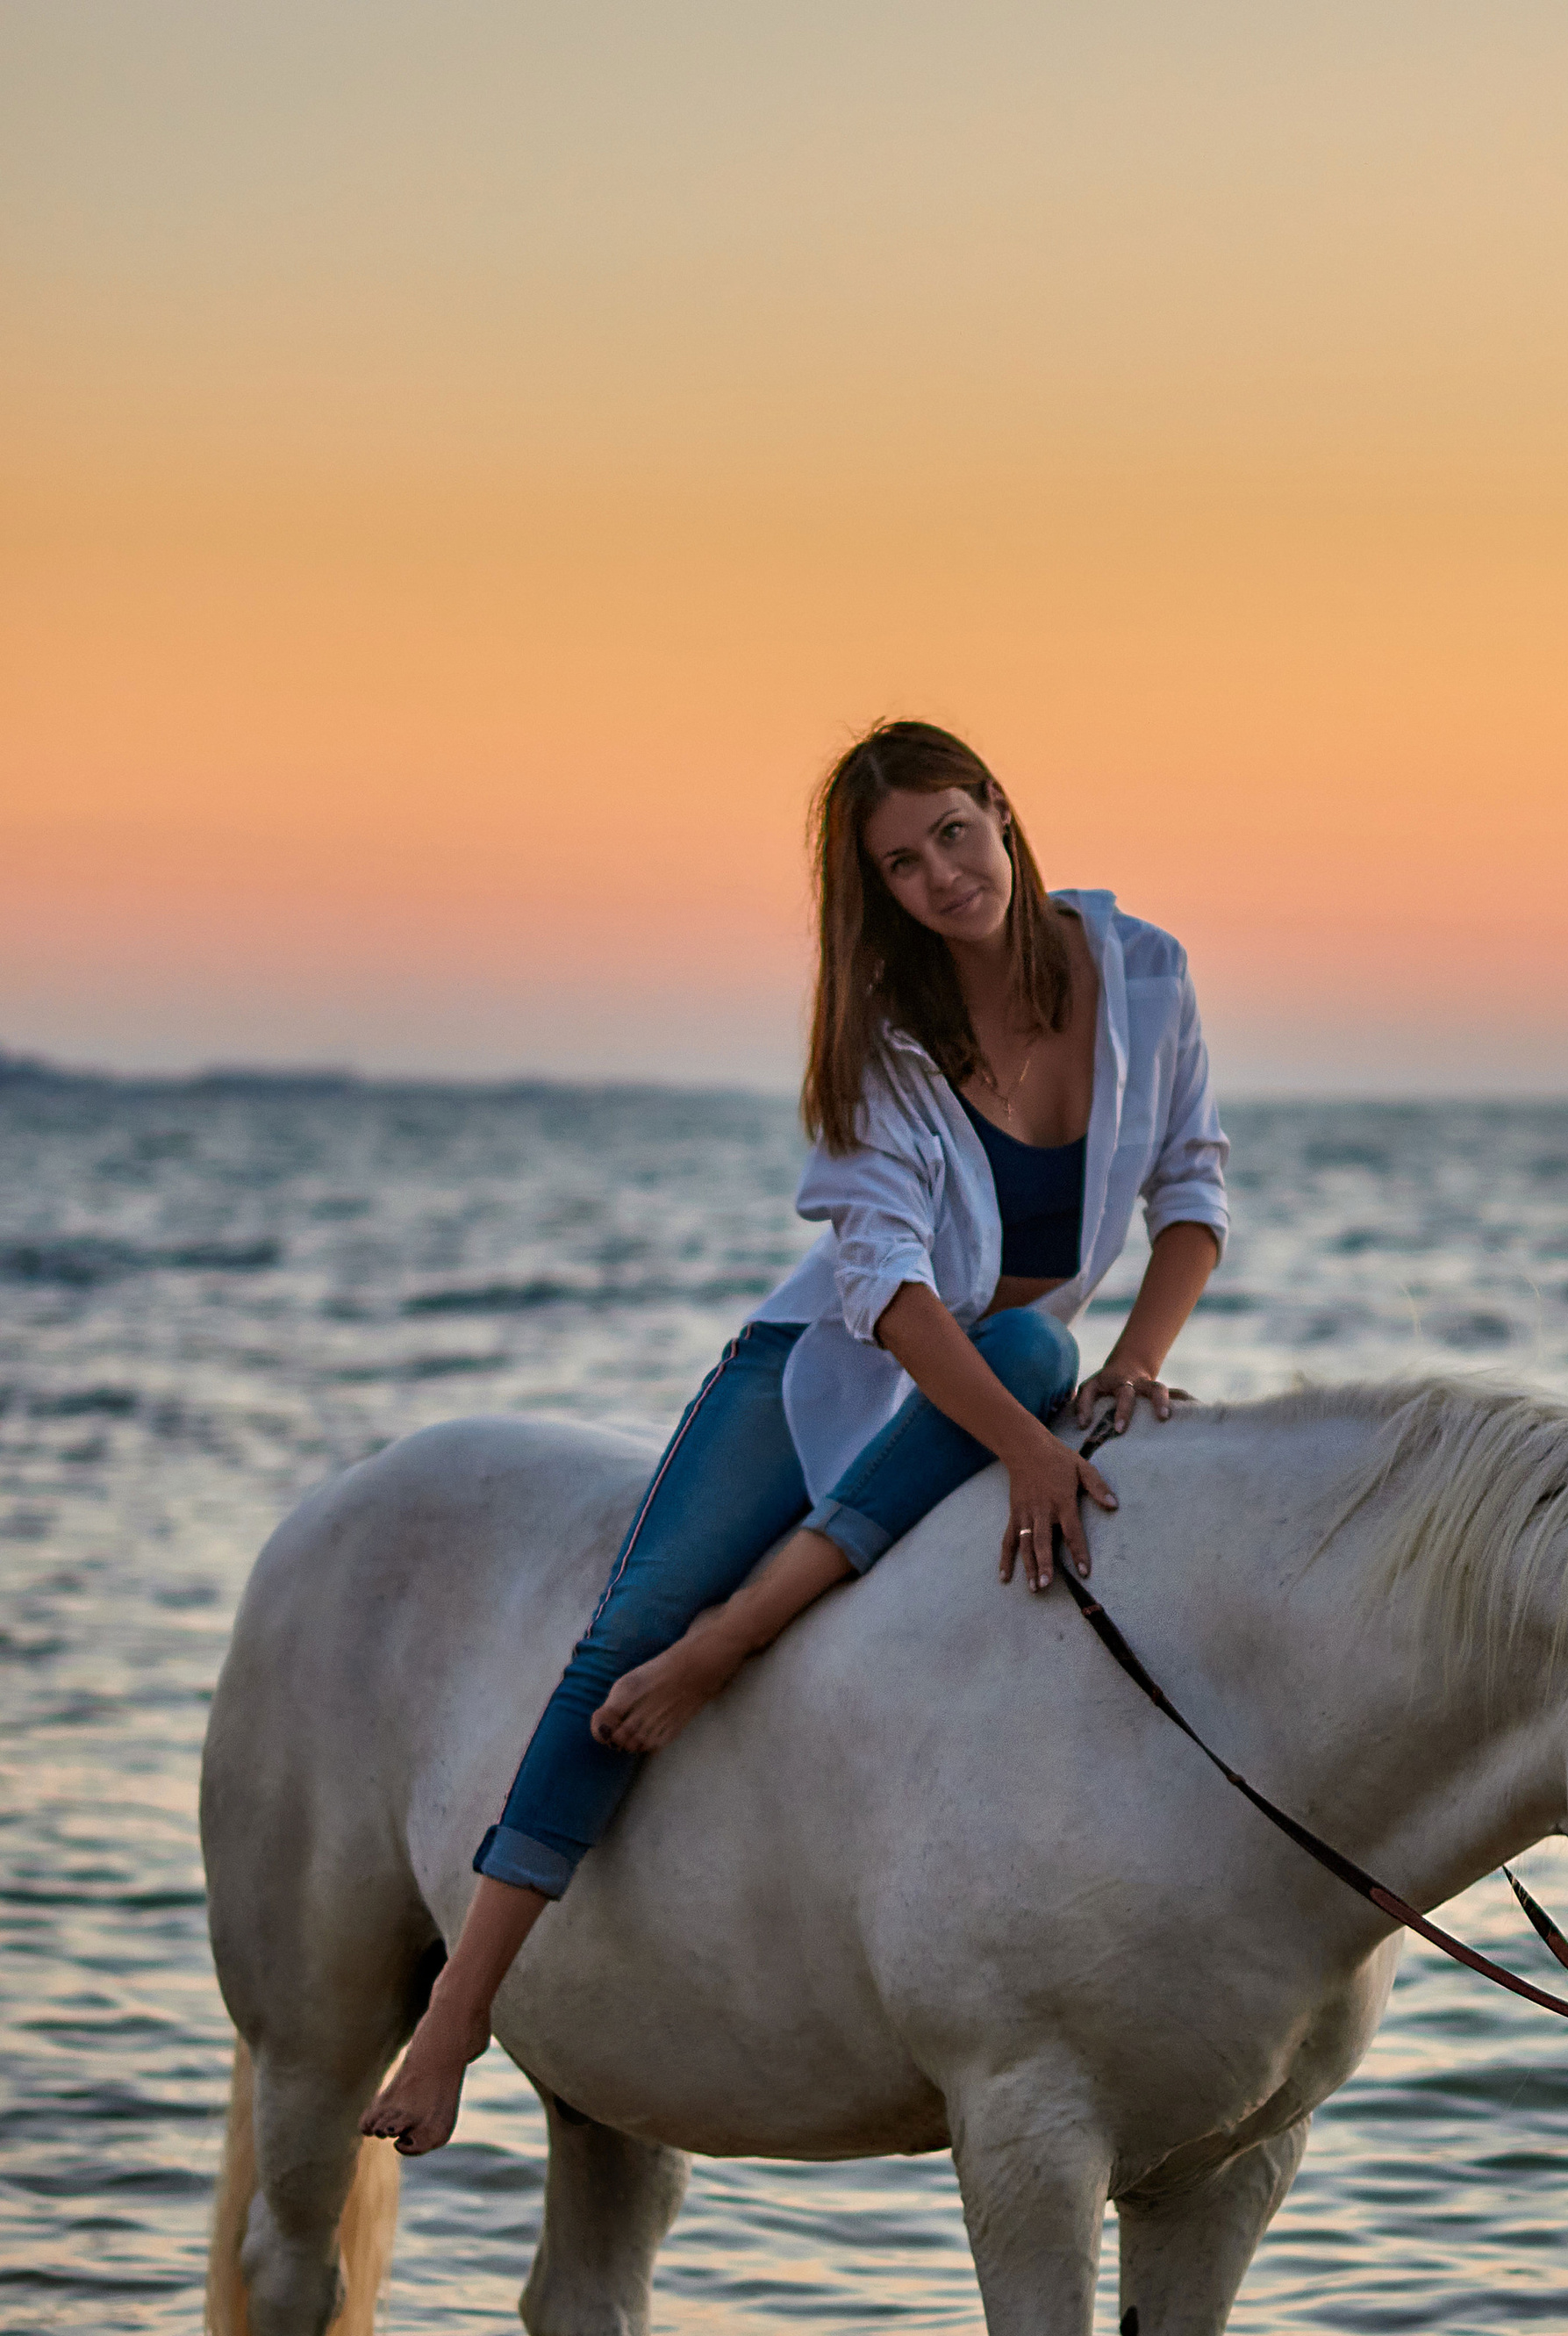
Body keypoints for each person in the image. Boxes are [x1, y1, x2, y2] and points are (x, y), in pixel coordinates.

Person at [361, 719, 1228, 2156]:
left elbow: (1189, 1191)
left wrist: (1139, 1362)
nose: (944, 875)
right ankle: (458, 2017)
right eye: (902, 863)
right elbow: (881, 1287)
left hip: (1015, 1370)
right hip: (835, 1364)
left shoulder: (1140, 973)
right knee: (624, 1634)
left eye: (955, 832)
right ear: (876, 892)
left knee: (1040, 1342)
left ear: (1002, 813)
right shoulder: (882, 1043)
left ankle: (745, 1630)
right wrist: (1024, 1441)